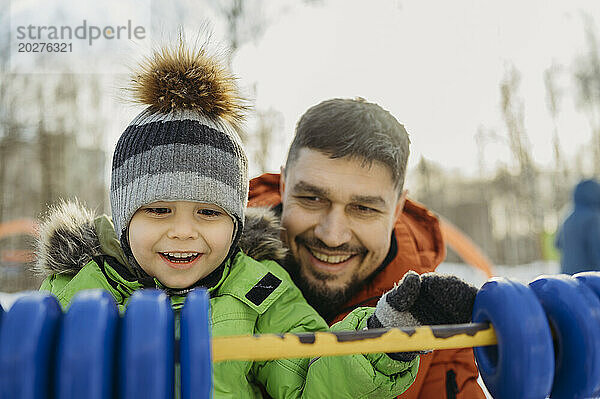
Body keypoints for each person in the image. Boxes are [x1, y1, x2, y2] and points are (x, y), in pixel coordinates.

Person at [34, 41, 433, 398]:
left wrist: (377, 338)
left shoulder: (262, 293)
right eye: (158, 210)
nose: (183, 231)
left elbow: (312, 376)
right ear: (124, 217)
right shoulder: (79, 288)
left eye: (209, 213)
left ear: (237, 223)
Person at [248, 98, 486, 399]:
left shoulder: (430, 318)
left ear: (398, 208)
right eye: (312, 198)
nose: (332, 236)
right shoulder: (206, 263)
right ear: (284, 185)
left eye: (363, 208)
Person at [555, 178, 600, 275]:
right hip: (588, 281)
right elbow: (597, 250)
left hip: (568, 280)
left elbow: (557, 244)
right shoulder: (593, 218)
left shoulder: (568, 217)